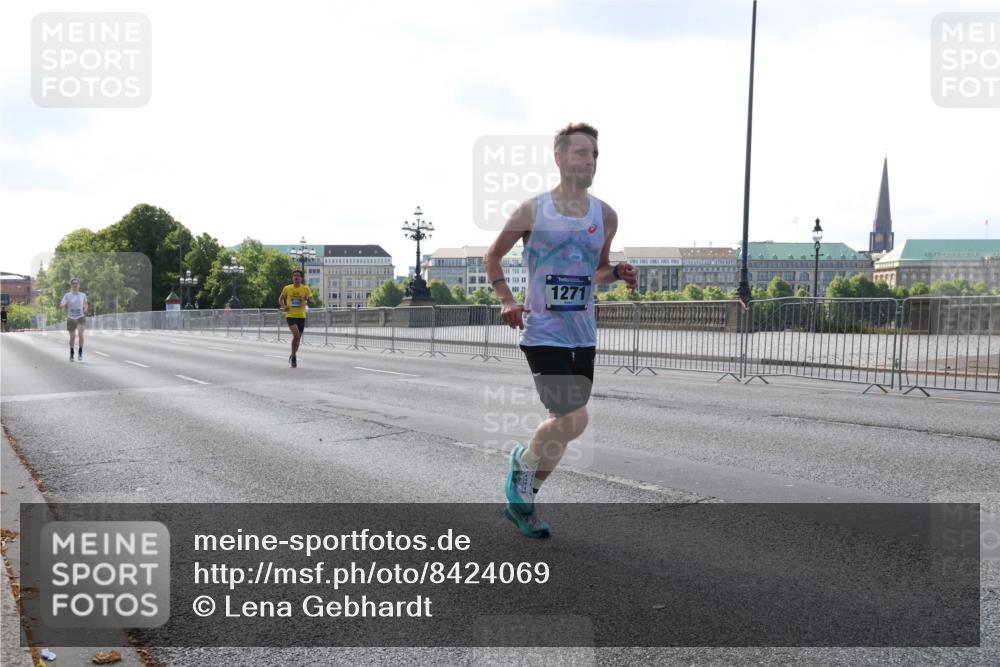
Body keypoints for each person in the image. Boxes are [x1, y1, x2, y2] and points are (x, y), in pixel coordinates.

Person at [485, 123, 637, 538]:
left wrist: (618, 273)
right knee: (575, 417)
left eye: (594, 155)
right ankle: (520, 466)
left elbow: (598, 271)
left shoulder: (605, 215)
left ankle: (524, 500)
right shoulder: (533, 210)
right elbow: (492, 257)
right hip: (543, 331)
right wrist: (506, 300)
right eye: (581, 153)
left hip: (583, 333)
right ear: (559, 158)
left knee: (564, 425)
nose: (589, 161)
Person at [278, 269, 315, 368]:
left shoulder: (306, 289)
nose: (296, 277)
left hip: (301, 316)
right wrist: (284, 306)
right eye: (294, 275)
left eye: (298, 275)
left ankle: (293, 355)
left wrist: (308, 299)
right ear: (292, 277)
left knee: (298, 338)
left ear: (301, 278)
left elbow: (312, 301)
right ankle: (293, 357)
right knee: (296, 335)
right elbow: (280, 298)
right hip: (290, 315)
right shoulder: (287, 288)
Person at [59, 278, 89, 361]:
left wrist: (85, 308)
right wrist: (63, 305)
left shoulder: (83, 295)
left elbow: (85, 304)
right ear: (71, 285)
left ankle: (80, 352)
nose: (75, 285)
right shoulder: (67, 295)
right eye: (73, 283)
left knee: (80, 334)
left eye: (76, 283)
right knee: (72, 336)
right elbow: (61, 304)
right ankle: (72, 353)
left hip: (80, 317)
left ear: (79, 285)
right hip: (71, 318)